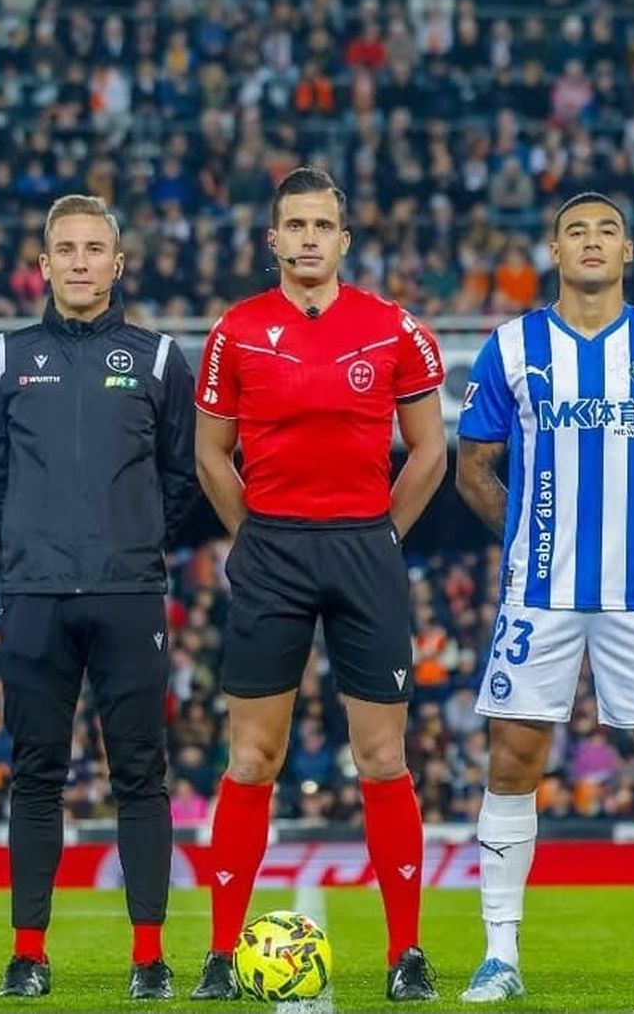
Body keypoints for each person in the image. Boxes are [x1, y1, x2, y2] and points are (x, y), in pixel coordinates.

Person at [454, 192, 634, 1002]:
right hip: (537, 596)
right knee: (513, 758)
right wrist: (528, 541)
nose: (592, 241)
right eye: (576, 230)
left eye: (607, 229)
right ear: (555, 251)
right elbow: (474, 467)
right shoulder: (512, 346)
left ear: (629, 250)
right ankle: (499, 955)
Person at [191, 166, 447, 1002]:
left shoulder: (392, 329)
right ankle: (222, 956)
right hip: (274, 549)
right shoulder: (237, 330)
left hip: (362, 548)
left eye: (321, 226)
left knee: (382, 758)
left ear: (344, 239)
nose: (307, 238)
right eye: (293, 226)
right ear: (273, 240)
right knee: (253, 758)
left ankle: (405, 953)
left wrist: (380, 536)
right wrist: (254, 537)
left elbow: (429, 453)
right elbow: (209, 455)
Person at [0, 194, 196, 1001]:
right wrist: (29, 542)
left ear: (117, 263)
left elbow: (182, 477)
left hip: (130, 592)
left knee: (141, 776)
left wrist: (131, 544)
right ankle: (28, 954)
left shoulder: (163, 357)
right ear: (43, 264)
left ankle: (149, 959)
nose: (78, 261)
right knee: (35, 776)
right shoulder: (2, 359)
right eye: (64, 248)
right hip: (32, 593)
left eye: (93, 249)